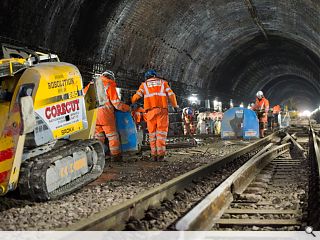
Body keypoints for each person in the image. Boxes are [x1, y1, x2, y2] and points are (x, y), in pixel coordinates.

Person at [131, 69, 178, 161]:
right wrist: (175, 106)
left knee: (152, 134)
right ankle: (161, 155)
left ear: (146, 77)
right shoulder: (163, 83)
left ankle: (154, 155)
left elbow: (137, 96)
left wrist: (130, 102)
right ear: (155, 76)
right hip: (162, 111)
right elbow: (172, 95)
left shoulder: (144, 85)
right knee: (161, 133)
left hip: (150, 112)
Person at [94, 70, 130, 160]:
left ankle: (98, 157)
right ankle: (115, 155)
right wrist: (127, 108)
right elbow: (117, 104)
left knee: (98, 137)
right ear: (111, 78)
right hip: (106, 116)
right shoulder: (110, 85)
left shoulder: (93, 84)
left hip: (94, 115)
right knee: (112, 136)